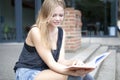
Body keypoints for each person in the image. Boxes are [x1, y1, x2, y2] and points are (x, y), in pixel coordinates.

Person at [14, 0, 95, 80]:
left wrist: (75, 63)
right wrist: (73, 72)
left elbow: (60, 61)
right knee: (74, 77)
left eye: (61, 15)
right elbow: (51, 63)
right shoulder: (36, 31)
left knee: (87, 77)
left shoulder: (61, 32)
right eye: (53, 15)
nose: (58, 18)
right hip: (28, 71)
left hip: (46, 70)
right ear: (45, 14)